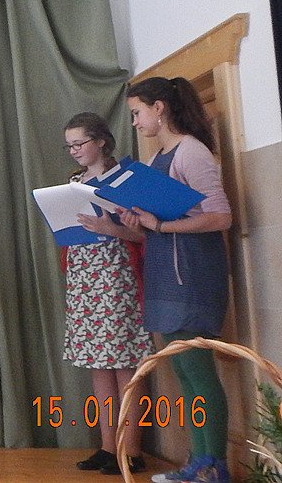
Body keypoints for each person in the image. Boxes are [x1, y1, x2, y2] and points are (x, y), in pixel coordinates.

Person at [117, 77, 232, 483]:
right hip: (167, 276)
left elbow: (221, 216)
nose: (135, 122)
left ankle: (214, 466)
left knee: (199, 373)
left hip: (193, 277)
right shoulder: (155, 160)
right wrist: (132, 221)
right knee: (184, 373)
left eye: (137, 112)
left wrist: (160, 225)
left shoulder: (191, 151)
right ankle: (197, 462)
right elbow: (156, 225)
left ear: (159, 107)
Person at [61, 112, 154, 476]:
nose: (74, 151)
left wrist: (110, 228)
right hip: (83, 280)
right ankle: (107, 447)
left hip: (117, 278)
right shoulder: (73, 181)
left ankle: (131, 451)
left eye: (79, 143)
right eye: (69, 145)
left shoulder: (125, 180)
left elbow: (147, 234)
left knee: (125, 366)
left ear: (100, 141)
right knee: (98, 366)